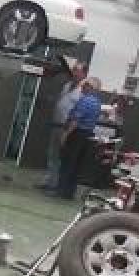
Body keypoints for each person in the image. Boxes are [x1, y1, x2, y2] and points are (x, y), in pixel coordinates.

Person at [40, 61, 87, 191]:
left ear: (84, 74)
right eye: (74, 69)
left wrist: (70, 128)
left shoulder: (83, 90)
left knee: (63, 156)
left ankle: (59, 185)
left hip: (68, 128)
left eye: (77, 70)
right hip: (57, 124)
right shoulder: (67, 85)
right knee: (52, 153)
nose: (74, 72)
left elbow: (80, 111)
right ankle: (50, 181)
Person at [56, 77, 103, 200]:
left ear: (90, 87)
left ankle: (61, 190)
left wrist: (65, 135)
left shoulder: (85, 100)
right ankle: (69, 192)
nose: (82, 87)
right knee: (77, 165)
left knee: (67, 162)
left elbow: (76, 120)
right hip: (87, 135)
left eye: (84, 85)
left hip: (77, 134)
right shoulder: (97, 103)